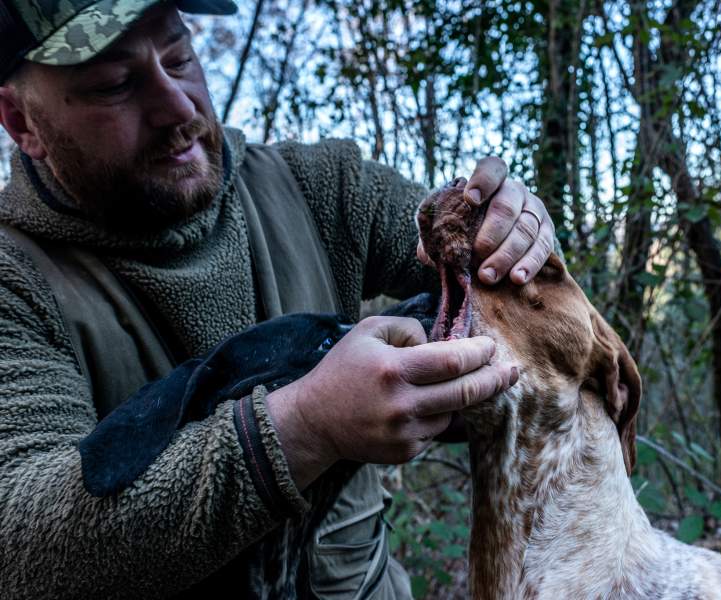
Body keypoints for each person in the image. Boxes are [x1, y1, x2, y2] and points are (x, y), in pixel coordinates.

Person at [0, 0, 555, 597]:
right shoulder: (16, 281)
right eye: (116, 84)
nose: (178, 106)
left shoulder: (319, 188)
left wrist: (503, 229)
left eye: (180, 56)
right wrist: (305, 428)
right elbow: (22, 545)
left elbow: (493, 279)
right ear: (21, 122)